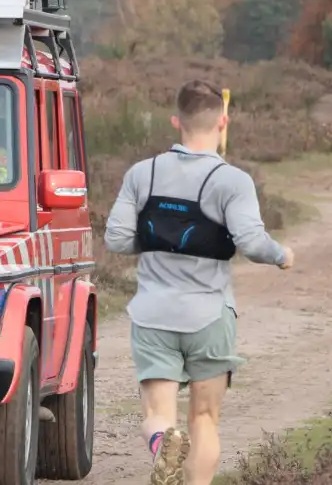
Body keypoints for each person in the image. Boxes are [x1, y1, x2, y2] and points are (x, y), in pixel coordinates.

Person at [103, 80, 295, 485]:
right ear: (223, 121)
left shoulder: (142, 173)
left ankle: (162, 445)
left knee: (158, 414)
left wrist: (160, 240)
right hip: (209, 315)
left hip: (153, 314)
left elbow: (116, 238)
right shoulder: (233, 181)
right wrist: (282, 255)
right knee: (205, 418)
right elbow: (252, 244)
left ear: (177, 121)